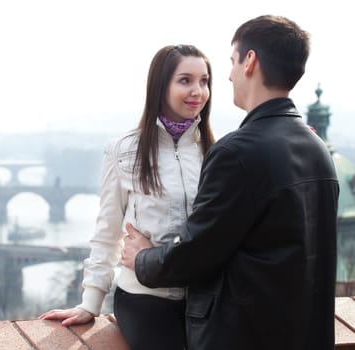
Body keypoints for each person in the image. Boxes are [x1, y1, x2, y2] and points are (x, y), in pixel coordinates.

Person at [121, 15, 339, 350]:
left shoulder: (237, 153)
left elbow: (196, 252)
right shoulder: (318, 151)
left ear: (250, 61)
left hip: (244, 337)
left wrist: (141, 259)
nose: (229, 75)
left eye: (233, 61)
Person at [39, 44, 215, 350]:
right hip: (144, 297)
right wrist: (91, 301)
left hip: (205, 297)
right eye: (185, 80)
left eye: (204, 81)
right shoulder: (125, 150)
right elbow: (108, 229)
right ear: (161, 86)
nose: (197, 91)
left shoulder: (216, 151)